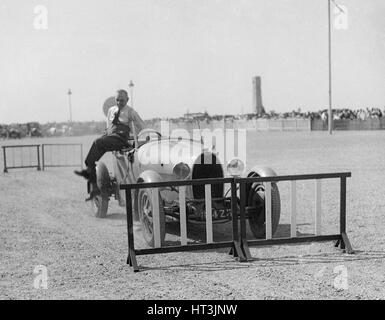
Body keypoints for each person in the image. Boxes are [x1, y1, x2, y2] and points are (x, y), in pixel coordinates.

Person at [75, 89, 145, 198]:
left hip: (120, 139)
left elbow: (141, 126)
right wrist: (106, 134)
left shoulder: (131, 112)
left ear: (127, 100)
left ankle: (90, 169)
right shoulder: (111, 110)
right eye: (117, 100)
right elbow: (108, 126)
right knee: (98, 147)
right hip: (111, 137)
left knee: (98, 142)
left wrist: (133, 136)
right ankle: (91, 172)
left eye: (122, 100)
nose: (119, 103)